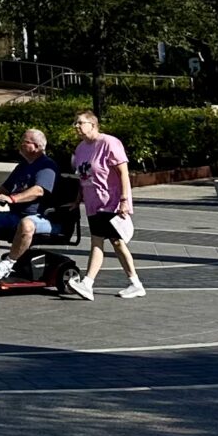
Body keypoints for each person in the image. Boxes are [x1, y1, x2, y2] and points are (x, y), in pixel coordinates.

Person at [61, 109, 144, 300]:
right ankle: (90, 284)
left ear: (93, 124)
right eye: (75, 123)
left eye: (80, 123)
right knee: (98, 241)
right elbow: (83, 176)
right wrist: (78, 199)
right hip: (93, 202)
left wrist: (124, 200)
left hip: (111, 201)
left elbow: (123, 172)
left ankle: (131, 283)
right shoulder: (81, 148)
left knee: (116, 242)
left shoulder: (109, 143)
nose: (76, 127)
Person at [0, 127, 59, 278]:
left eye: (25, 142)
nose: (20, 144)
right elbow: (4, 189)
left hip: (42, 217)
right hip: (17, 215)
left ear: (37, 147)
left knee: (26, 224)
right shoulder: (22, 167)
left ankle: (8, 264)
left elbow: (38, 191)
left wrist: (13, 199)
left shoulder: (46, 166)